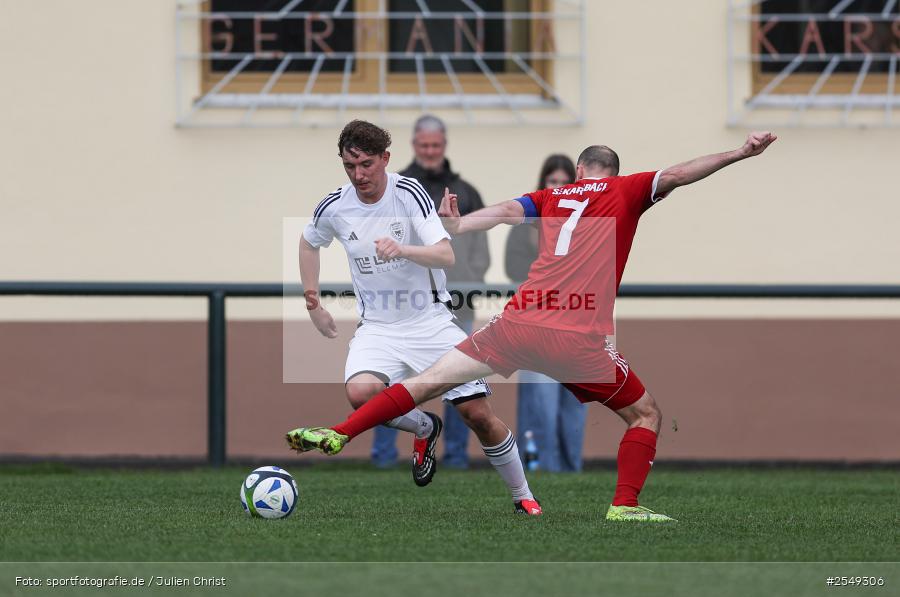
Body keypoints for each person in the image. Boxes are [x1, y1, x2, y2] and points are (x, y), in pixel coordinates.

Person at [288, 131, 777, 522]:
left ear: (580, 170)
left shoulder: (553, 194)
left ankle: (342, 432)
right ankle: (623, 506)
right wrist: (739, 152)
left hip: (517, 324)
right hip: (574, 339)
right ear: (613, 173)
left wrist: (458, 225)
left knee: (422, 385)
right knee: (645, 413)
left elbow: (501, 213)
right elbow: (677, 174)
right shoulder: (626, 188)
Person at [299, 119, 540, 514]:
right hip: (377, 328)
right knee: (360, 394)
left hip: (430, 322)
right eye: (349, 166)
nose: (358, 175)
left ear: (385, 159)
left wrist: (403, 249)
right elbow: (309, 243)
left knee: (477, 414)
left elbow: (446, 254)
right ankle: (424, 427)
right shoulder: (334, 205)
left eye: (366, 165)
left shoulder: (409, 193)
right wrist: (314, 302)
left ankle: (523, 496)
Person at [372, 115, 491, 469]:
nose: (429, 151)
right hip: (404, 305)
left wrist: (468, 282)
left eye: (435, 145)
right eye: (424, 145)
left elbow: (479, 250)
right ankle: (383, 456)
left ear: (444, 145)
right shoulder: (396, 187)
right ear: (414, 145)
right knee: (395, 382)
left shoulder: (465, 191)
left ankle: (455, 455)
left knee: (459, 386)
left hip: (457, 305)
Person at [505, 154, 587, 472]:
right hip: (535, 323)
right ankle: (541, 467)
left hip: (576, 322)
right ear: (543, 184)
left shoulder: (586, 224)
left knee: (574, 400)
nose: (558, 187)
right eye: (552, 181)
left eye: (564, 181)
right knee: (540, 399)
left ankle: (571, 468)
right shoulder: (526, 224)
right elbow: (514, 268)